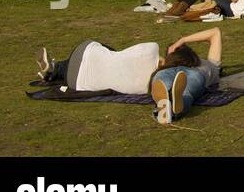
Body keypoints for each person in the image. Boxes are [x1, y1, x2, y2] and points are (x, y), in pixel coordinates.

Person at [36, 39, 165, 94]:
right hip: (75, 83)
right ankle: (52, 72)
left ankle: (55, 68)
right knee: (98, 63)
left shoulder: (152, 49)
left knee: (109, 54)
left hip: (83, 54)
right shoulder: (148, 89)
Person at [149, 28, 222, 124]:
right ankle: (175, 109)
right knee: (185, 93)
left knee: (162, 85)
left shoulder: (164, 66)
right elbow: (215, 32)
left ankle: (162, 105)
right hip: (196, 73)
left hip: (168, 71)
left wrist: (164, 60)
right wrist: (183, 40)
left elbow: (215, 32)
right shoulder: (210, 65)